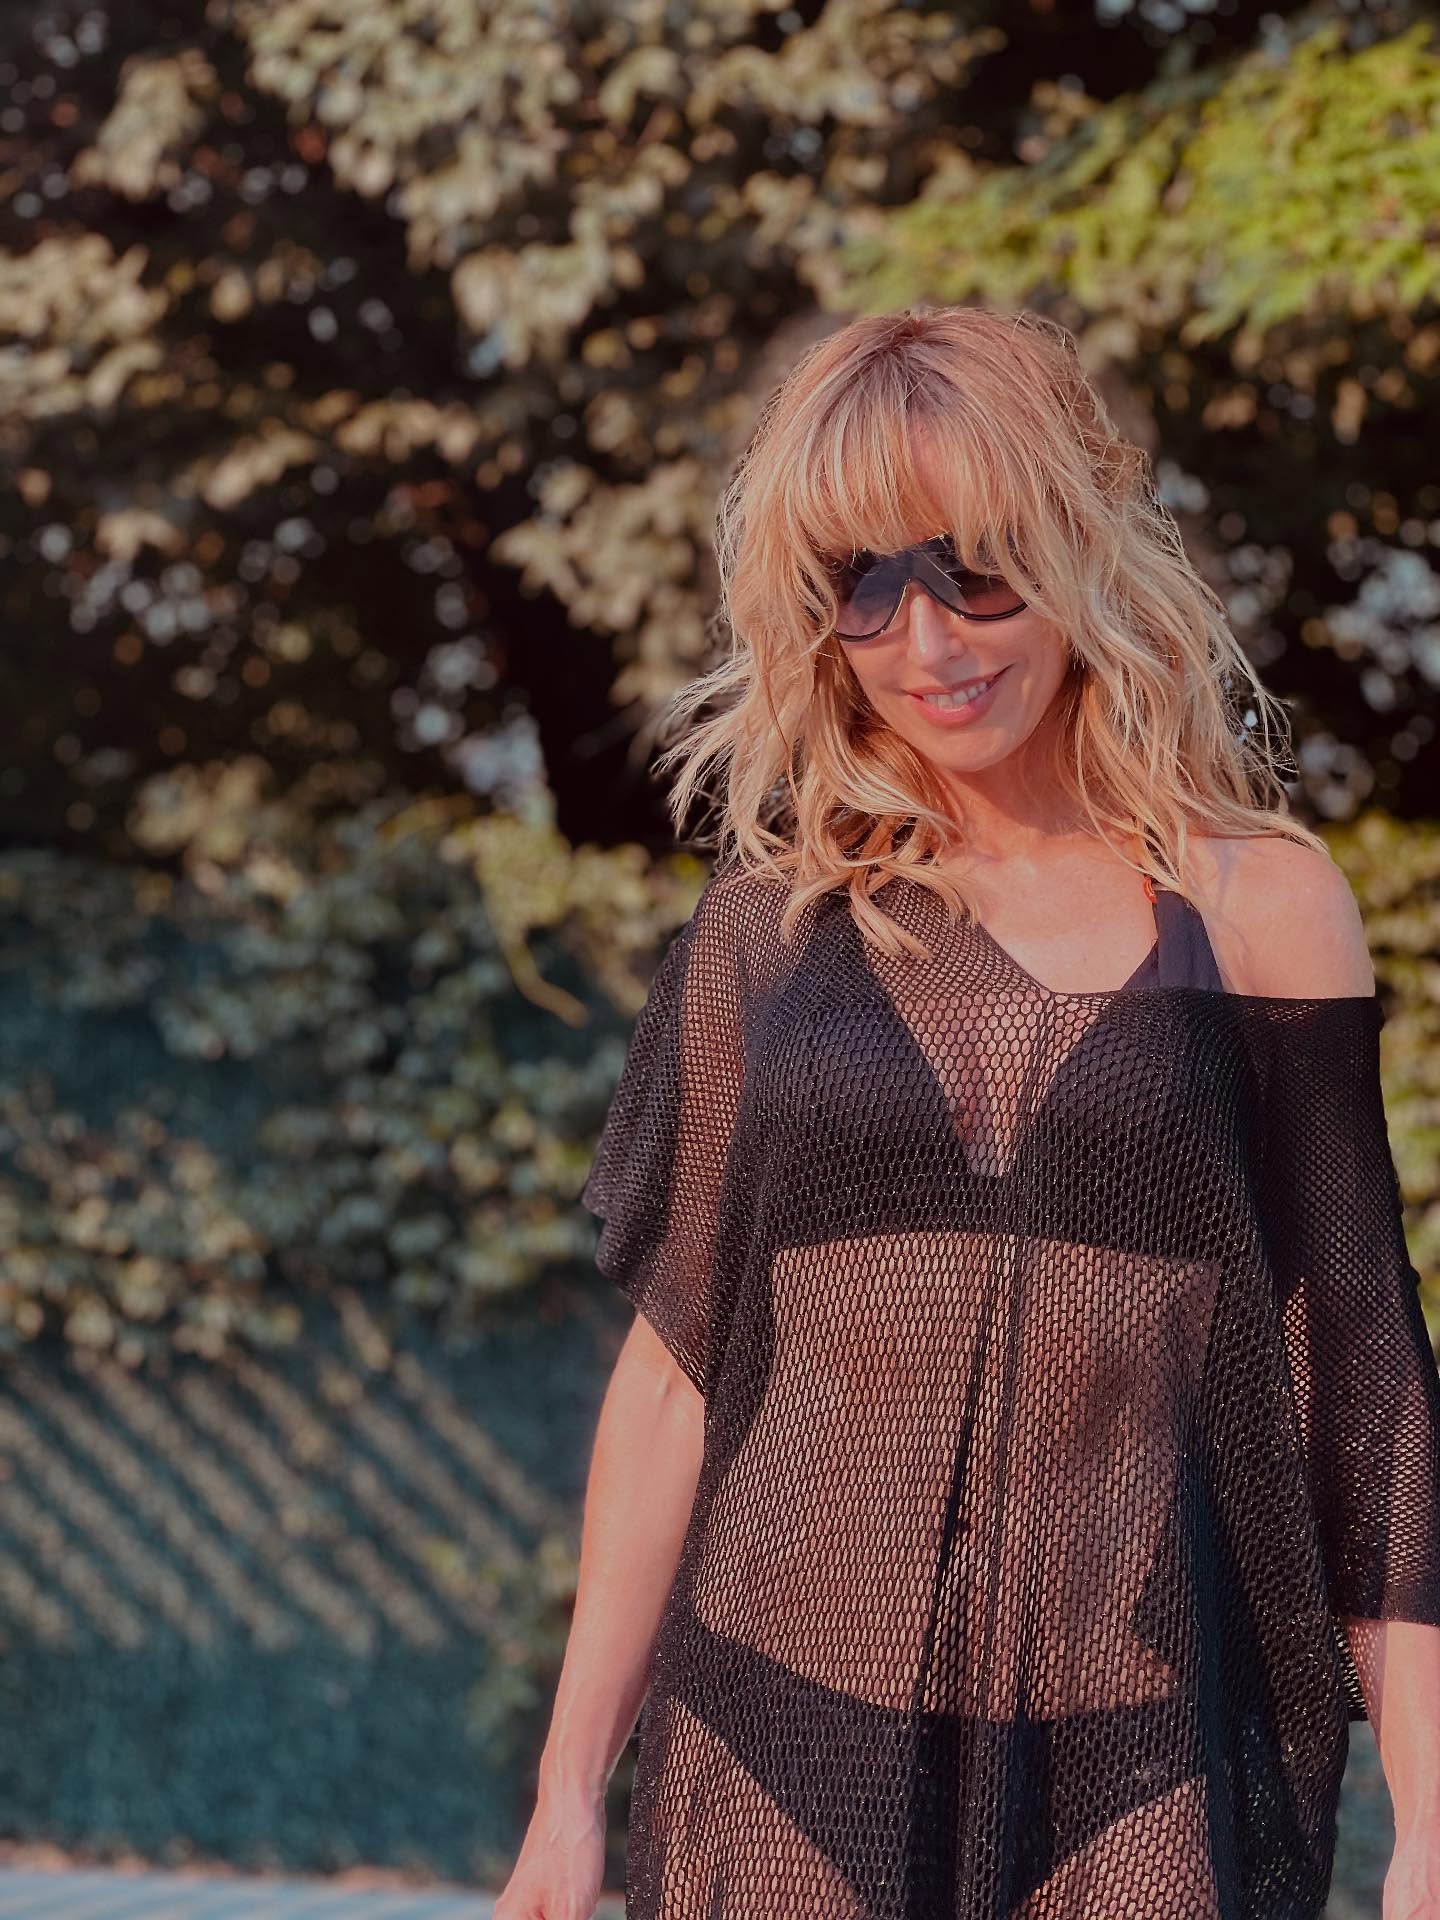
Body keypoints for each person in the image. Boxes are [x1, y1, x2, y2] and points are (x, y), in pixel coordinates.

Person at [496, 306, 1440, 1919]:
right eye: (861, 584)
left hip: (1145, 1749)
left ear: (1077, 540)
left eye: (976, 568)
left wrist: (1429, 1824)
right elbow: (671, 1377)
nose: (927, 641)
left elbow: (1363, 1390)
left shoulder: (1259, 906)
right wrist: (568, 1794)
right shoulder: (775, 928)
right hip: (776, 1729)